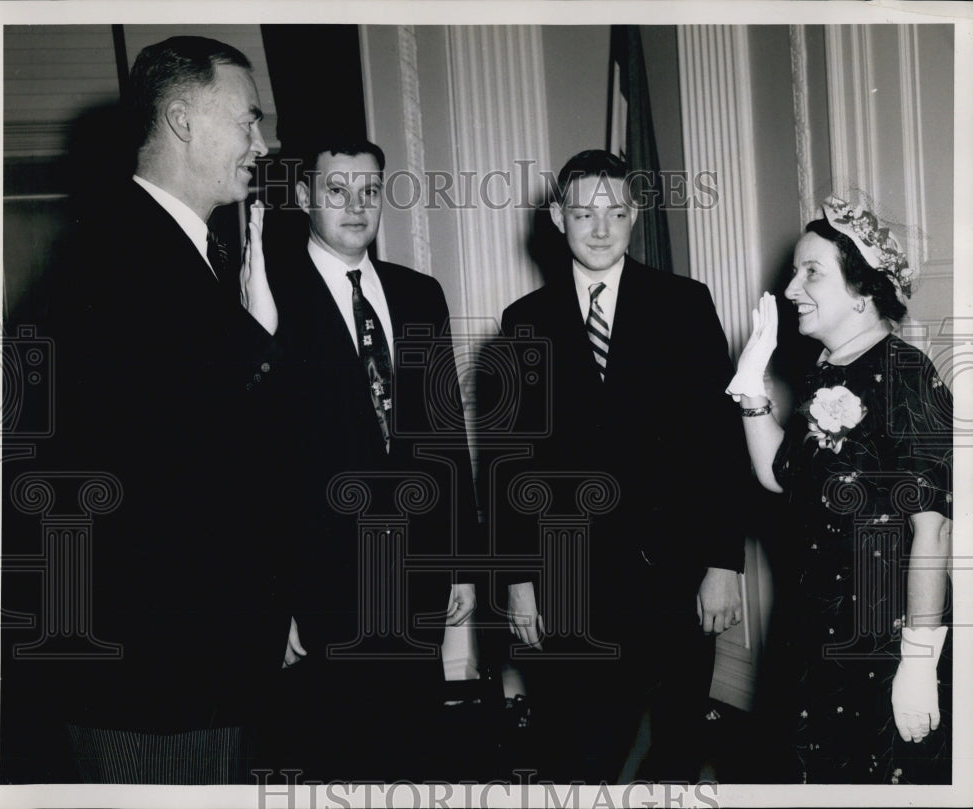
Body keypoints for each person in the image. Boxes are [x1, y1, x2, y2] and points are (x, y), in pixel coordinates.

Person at [42, 36, 289, 783]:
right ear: (182, 120)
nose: (265, 143)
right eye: (248, 120)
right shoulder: (123, 255)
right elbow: (179, 458)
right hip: (159, 679)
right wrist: (259, 342)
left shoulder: (166, 250)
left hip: (195, 665)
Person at [481, 150, 747, 783]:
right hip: (572, 583)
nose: (600, 229)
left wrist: (722, 562)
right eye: (583, 213)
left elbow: (719, 444)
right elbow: (507, 467)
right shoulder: (524, 324)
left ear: (635, 216)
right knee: (581, 753)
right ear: (557, 217)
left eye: (616, 213)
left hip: (676, 577)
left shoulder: (684, 306)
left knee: (678, 749)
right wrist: (518, 580)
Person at [260, 137, 479, 782]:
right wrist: (276, 598)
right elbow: (258, 462)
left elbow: (445, 435)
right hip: (319, 579)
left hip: (415, 571)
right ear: (304, 198)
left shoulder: (419, 294)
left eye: (369, 191)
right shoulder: (267, 294)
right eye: (336, 190)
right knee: (332, 754)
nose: (355, 206)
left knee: (413, 747)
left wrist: (461, 562)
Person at [729, 195, 953, 783]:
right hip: (813, 628)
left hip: (879, 638)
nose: (791, 287)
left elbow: (933, 526)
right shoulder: (826, 371)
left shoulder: (906, 374)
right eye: (794, 270)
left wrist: (920, 658)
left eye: (811, 272)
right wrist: (752, 391)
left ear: (862, 291)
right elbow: (779, 476)